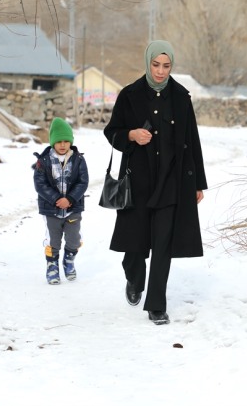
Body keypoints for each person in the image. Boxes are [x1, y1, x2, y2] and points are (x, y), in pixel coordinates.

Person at [103, 40, 208, 325]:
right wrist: (131, 135)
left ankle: (156, 304)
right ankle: (134, 279)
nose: (161, 71)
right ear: (148, 63)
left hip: (172, 182)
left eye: (166, 66)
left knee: (163, 244)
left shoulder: (181, 97)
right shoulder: (129, 95)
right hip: (137, 182)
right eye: (156, 65)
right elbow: (111, 132)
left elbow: (192, 141)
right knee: (135, 245)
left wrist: (197, 182)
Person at [33, 117, 89, 285]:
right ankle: (52, 265)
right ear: (52, 142)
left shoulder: (78, 159)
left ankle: (69, 260)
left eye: (66, 141)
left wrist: (70, 199)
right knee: (53, 240)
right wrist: (57, 199)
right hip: (51, 209)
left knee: (73, 239)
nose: (63, 145)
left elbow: (83, 181)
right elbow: (40, 184)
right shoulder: (43, 161)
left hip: (73, 208)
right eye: (59, 141)